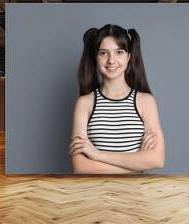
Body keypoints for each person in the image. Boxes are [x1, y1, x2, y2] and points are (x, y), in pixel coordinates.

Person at [69, 24, 165, 174]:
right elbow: (80, 166)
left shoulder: (145, 101)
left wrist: (97, 154)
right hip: (94, 195)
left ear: (128, 57)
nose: (111, 60)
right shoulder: (85, 104)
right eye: (103, 53)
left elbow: (157, 159)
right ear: (95, 58)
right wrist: (136, 165)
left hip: (136, 195)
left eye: (119, 52)